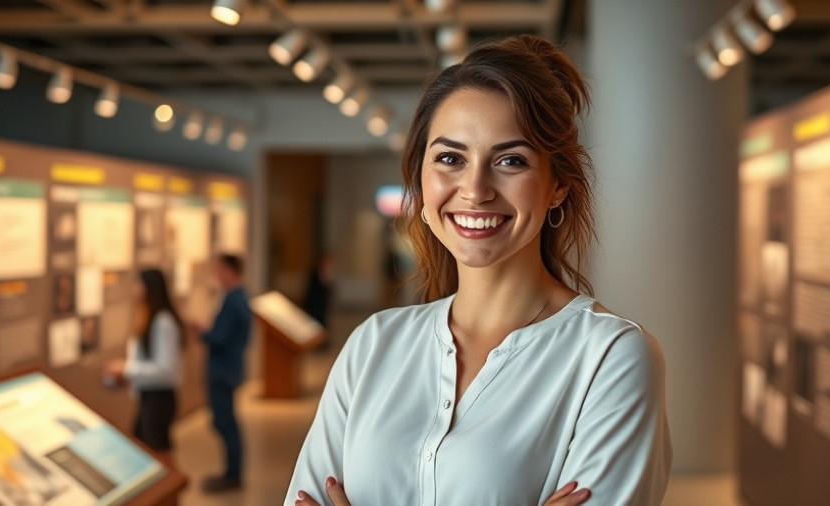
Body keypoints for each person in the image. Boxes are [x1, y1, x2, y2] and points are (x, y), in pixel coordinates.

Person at [285, 35, 672, 506]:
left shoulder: (610, 358)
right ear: (420, 179)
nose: (475, 188)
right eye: (450, 158)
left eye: (511, 160)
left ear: (558, 187)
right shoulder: (374, 344)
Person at [104, 268, 184, 464]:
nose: (134, 290)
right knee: (146, 446)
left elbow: (165, 369)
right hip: (151, 396)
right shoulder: (150, 318)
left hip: (160, 397)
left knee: (157, 451)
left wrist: (127, 369)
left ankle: (169, 492)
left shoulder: (162, 322)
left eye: (137, 284)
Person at [188, 254, 252, 492]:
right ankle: (231, 472)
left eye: (219, 270)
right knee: (225, 421)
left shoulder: (234, 301)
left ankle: (233, 474)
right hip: (228, 368)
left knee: (225, 422)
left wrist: (200, 331)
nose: (216, 275)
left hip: (223, 370)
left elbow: (221, 338)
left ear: (229, 270)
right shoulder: (237, 298)